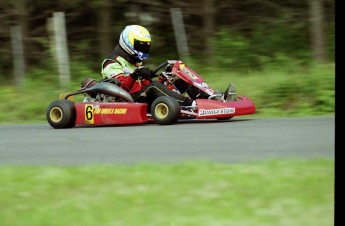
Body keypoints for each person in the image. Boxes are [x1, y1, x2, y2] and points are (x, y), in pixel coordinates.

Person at [100, 25, 195, 109]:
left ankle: (206, 99)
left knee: (181, 79)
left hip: (140, 97)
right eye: (140, 46)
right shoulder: (111, 62)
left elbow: (145, 86)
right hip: (126, 101)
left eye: (146, 46)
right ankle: (191, 104)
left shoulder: (134, 61)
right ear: (127, 43)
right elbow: (121, 90)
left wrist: (163, 80)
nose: (143, 49)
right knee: (154, 87)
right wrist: (135, 75)